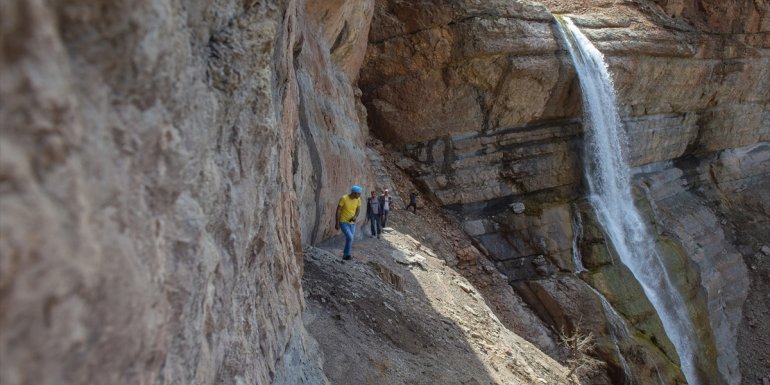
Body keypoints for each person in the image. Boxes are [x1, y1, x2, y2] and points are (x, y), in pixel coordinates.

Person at [336, 185, 362, 260]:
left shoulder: (358, 199)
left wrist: (355, 216)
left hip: (352, 223)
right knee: (350, 237)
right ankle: (347, 254)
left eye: (360, 194)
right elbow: (338, 210)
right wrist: (337, 223)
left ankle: (345, 254)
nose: (359, 195)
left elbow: (358, 209)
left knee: (350, 238)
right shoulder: (344, 198)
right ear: (353, 193)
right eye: (358, 193)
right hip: (343, 222)